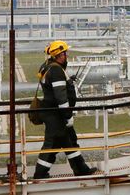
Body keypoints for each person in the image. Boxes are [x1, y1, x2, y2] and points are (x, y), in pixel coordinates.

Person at [32, 40, 97, 179]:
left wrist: (68, 81)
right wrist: (67, 116)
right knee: (51, 145)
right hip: (56, 116)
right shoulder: (56, 70)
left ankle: (81, 170)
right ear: (60, 55)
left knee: (70, 142)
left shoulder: (47, 66)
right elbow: (60, 96)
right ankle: (40, 174)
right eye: (65, 53)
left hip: (54, 114)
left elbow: (54, 88)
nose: (66, 55)